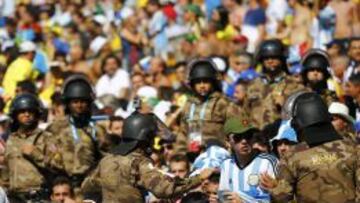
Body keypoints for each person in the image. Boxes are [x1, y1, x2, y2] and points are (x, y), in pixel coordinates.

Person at [81, 112, 217, 202]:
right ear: (145, 138)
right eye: (152, 138)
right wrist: (199, 177)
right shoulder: (138, 163)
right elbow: (165, 189)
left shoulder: (106, 160)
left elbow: (87, 186)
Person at [260, 92, 359, 202]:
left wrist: (274, 188)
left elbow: (282, 196)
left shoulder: (292, 156)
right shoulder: (352, 148)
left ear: (298, 124)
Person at [45, 75, 106, 188]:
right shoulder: (55, 128)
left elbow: (106, 159)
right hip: (63, 185)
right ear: (68, 104)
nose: (79, 105)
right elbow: (48, 158)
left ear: (88, 103)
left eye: (83, 101)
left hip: (90, 185)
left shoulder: (96, 129)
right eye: (75, 102)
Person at [177, 59, 246, 153]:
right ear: (192, 84)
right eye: (198, 82)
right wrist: (180, 154)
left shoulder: (224, 103)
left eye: (206, 81)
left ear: (213, 82)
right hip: (191, 157)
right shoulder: (188, 105)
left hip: (218, 157)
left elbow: (238, 131)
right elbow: (182, 134)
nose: (202, 85)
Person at [5, 93, 55, 202]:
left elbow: (57, 166)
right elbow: (6, 168)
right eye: (22, 111)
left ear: (37, 114)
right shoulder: (11, 139)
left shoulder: (46, 137)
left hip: (38, 196)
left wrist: (35, 154)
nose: (27, 114)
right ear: (15, 115)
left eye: (30, 111)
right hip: (14, 198)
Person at [246, 39, 304, 128]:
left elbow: (303, 114)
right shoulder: (252, 85)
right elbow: (245, 113)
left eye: (274, 57)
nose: (270, 61)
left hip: (281, 138)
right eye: (266, 58)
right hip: (256, 137)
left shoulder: (295, 85)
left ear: (281, 59)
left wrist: (286, 105)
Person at [219, 117, 277, 202]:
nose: (244, 141)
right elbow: (224, 197)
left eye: (248, 136)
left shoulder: (268, 162)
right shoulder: (226, 165)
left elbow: (280, 198)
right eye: (238, 137)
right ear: (228, 142)